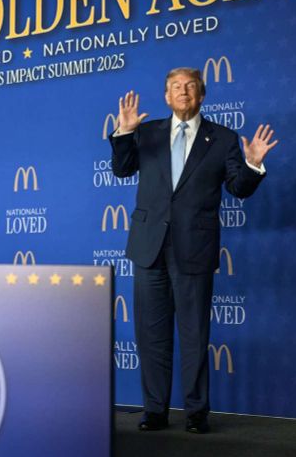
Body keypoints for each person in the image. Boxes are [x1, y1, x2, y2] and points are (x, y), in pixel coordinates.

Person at [109, 67, 277, 433]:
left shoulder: (223, 138)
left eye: (189, 87)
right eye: (175, 87)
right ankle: (154, 410)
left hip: (194, 248)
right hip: (148, 247)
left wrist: (252, 163)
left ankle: (196, 411)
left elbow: (239, 188)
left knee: (194, 332)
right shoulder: (146, 132)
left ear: (201, 95)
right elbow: (122, 170)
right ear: (166, 97)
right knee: (150, 334)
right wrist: (123, 133)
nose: (182, 92)